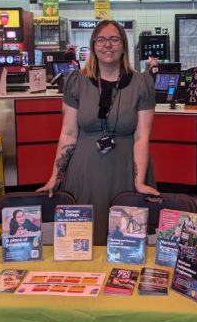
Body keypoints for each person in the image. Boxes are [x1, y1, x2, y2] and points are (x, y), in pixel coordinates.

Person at [39, 20, 159, 245]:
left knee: (124, 243)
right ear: (93, 45)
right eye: (101, 39)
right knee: (82, 241)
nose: (108, 45)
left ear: (123, 45)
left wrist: (139, 181)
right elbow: (68, 133)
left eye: (114, 39)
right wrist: (56, 175)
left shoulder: (142, 84)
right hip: (84, 173)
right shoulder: (77, 82)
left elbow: (142, 136)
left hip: (124, 171)